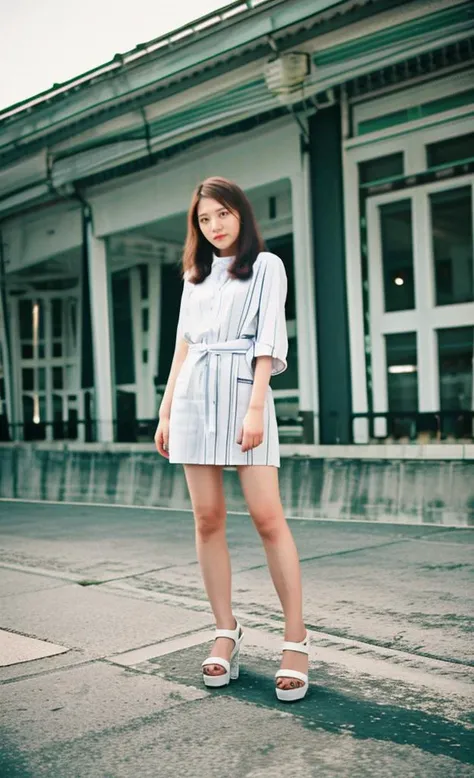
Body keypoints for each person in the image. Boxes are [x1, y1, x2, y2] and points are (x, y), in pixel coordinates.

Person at [154, 176, 309, 702]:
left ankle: (296, 639)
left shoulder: (267, 266)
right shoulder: (194, 277)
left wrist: (257, 407)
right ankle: (226, 631)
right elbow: (183, 344)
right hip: (195, 396)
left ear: (240, 213)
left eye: (222, 214)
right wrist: (166, 411)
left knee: (268, 518)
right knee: (207, 519)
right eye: (204, 219)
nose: (214, 226)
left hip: (245, 392)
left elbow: (267, 340)